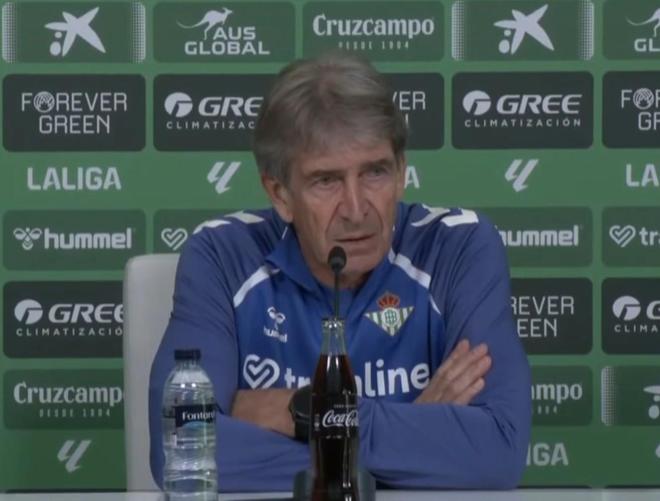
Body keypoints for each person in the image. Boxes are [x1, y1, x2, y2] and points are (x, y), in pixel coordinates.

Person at [148, 51, 531, 492]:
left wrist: (301, 411)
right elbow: (182, 450)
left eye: (375, 173)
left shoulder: (457, 248)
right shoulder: (221, 256)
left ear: (402, 172)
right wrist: (417, 443)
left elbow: (497, 450)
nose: (355, 209)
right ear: (280, 194)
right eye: (326, 181)